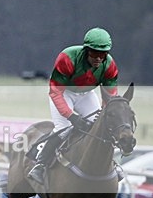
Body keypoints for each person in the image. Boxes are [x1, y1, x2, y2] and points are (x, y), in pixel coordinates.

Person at [27, 27, 118, 185]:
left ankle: (112, 165)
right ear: (86, 50)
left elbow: (110, 97)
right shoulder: (67, 58)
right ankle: (40, 165)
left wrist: (105, 114)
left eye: (102, 54)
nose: (98, 58)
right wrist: (72, 117)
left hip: (87, 94)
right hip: (63, 93)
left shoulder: (109, 65)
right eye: (94, 53)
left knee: (100, 128)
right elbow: (55, 92)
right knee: (64, 129)